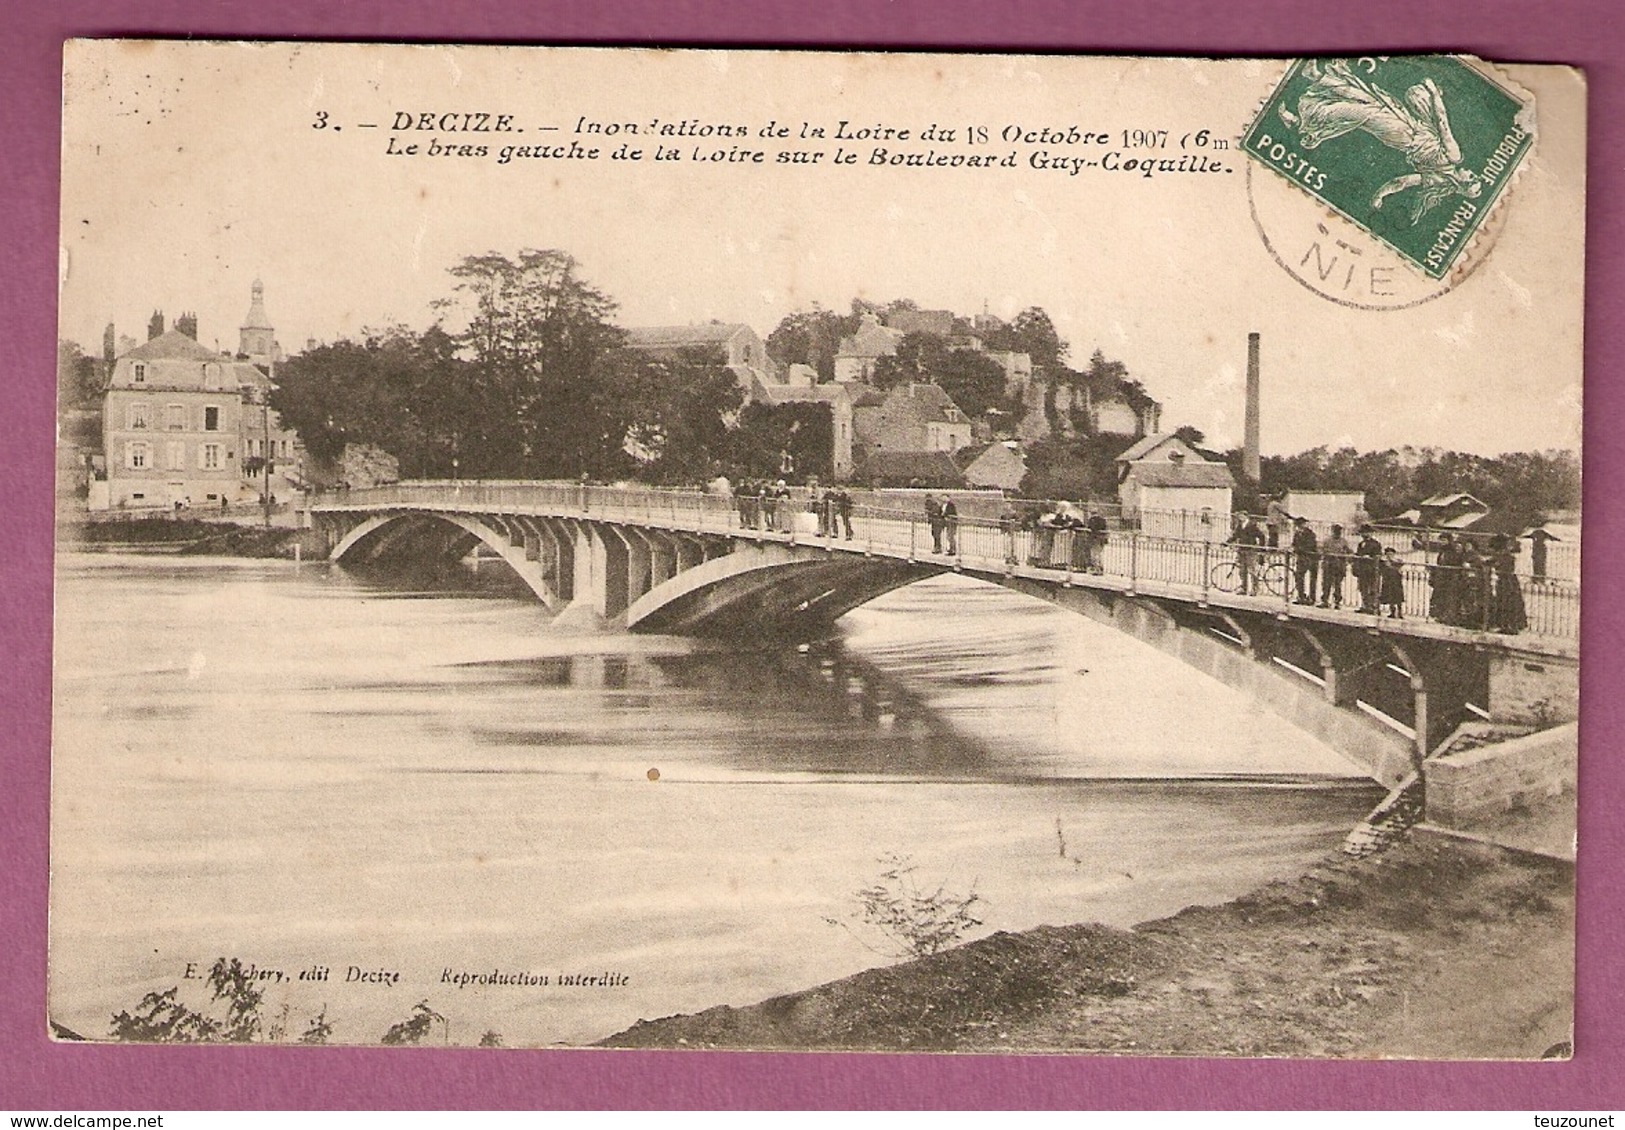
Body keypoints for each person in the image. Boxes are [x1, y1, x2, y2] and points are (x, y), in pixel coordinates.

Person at [1489, 534, 1528, 634]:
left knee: (1509, 603)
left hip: (1507, 582)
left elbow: (1504, 568)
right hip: (1504, 581)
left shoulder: (1507, 557)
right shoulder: (1501, 556)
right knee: (1504, 603)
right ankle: (1506, 625)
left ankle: (1511, 626)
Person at [1427, 531, 1464, 625]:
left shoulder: (1453, 551)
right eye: (1441, 540)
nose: (1442, 542)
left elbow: (1454, 563)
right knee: (1441, 597)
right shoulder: (1442, 551)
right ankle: (1441, 616)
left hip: (1449, 578)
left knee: (1448, 598)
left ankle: (1448, 617)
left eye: (1444, 540)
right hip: (1442, 578)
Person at [1229, 514, 1266, 595]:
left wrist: (1261, 548)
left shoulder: (1252, 525)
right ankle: (1243, 588)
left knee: (1252, 570)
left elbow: (1261, 536)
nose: (1240, 518)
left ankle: (1254, 589)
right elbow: (1235, 535)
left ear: (1246, 516)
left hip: (1250, 550)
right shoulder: (1240, 525)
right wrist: (1227, 542)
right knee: (1242, 570)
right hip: (1242, 549)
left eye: (1241, 516)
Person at [1318, 523, 1352, 608]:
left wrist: (1346, 558)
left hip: (1339, 566)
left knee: (1337, 585)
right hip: (1328, 565)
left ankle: (1337, 602)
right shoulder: (1327, 541)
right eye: (1335, 531)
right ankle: (1325, 600)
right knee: (1326, 584)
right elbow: (1322, 550)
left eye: (1338, 531)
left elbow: (1349, 551)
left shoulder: (1343, 541)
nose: (1337, 533)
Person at [1353, 525, 1383, 613]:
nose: (1364, 534)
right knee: (1363, 588)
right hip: (1363, 569)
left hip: (1372, 569)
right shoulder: (1361, 544)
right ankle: (1365, 605)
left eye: (1366, 532)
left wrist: (1370, 557)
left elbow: (1378, 555)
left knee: (1373, 588)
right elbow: (1358, 554)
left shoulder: (1376, 544)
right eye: (1363, 533)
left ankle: (1373, 606)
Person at [1290, 517, 1319, 605]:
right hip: (1301, 558)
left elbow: (1311, 545)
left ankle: (1311, 598)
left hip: (1310, 558)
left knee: (1312, 578)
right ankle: (1301, 596)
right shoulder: (1297, 534)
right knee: (1299, 577)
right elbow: (1294, 543)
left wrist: (1298, 549)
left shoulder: (1310, 534)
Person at [1379, 548, 1406, 618]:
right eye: (1388, 554)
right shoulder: (1384, 562)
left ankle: (1400, 612)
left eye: (1391, 554)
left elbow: (1401, 564)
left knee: (1398, 598)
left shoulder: (1397, 561)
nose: (1389, 555)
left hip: (1396, 581)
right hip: (1388, 581)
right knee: (1390, 598)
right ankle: (1392, 612)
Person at [1085, 508, 1110, 575]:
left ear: (1091, 513)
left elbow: (1090, 529)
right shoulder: (1103, 520)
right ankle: (1100, 568)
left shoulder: (1091, 520)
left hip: (1094, 539)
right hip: (1102, 539)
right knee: (1100, 554)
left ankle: (1097, 568)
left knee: (1094, 554)